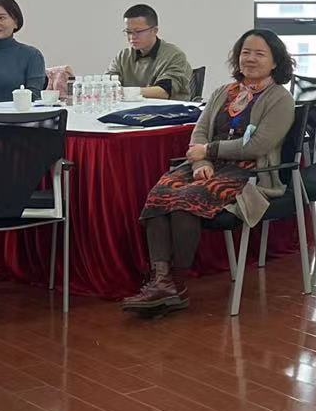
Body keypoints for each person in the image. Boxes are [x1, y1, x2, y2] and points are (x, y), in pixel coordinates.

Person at [124, 29, 297, 315]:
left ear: (275, 61)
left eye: (259, 54)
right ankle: (162, 282)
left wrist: (209, 151)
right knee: (160, 193)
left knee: (187, 200)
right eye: (245, 52)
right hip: (207, 164)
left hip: (249, 172)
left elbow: (257, 146)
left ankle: (175, 283)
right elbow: (200, 132)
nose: (250, 59)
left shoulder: (279, 98)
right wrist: (200, 162)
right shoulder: (224, 92)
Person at [103, 4, 193, 100]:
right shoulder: (123, 56)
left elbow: (164, 92)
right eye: (128, 32)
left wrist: (125, 92)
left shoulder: (174, 55)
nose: (132, 37)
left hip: (167, 108)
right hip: (131, 108)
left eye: (138, 31)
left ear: (154, 31)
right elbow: (106, 85)